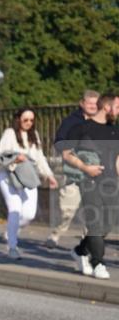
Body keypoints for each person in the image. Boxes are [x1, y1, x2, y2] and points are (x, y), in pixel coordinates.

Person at [63, 91, 119, 280]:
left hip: (111, 182)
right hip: (89, 181)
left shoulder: (115, 130)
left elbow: (117, 160)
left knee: (108, 225)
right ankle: (98, 263)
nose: (118, 111)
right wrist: (85, 168)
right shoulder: (82, 128)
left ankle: (80, 250)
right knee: (94, 223)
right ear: (107, 107)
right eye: (117, 107)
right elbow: (66, 154)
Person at [0, 109, 58, 259]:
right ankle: (12, 247)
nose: (29, 123)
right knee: (15, 209)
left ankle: (11, 230)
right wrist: (16, 158)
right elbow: (0, 155)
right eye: (25, 120)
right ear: (18, 119)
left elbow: (40, 157)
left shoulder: (34, 135)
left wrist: (49, 175)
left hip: (28, 176)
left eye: (31, 120)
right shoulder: (10, 133)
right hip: (9, 176)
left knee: (29, 214)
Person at [48, 90, 100, 248]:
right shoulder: (71, 121)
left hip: (94, 173)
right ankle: (56, 233)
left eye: (96, 103)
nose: (93, 106)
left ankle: (86, 247)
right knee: (67, 211)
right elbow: (60, 143)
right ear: (82, 103)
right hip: (72, 172)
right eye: (90, 103)